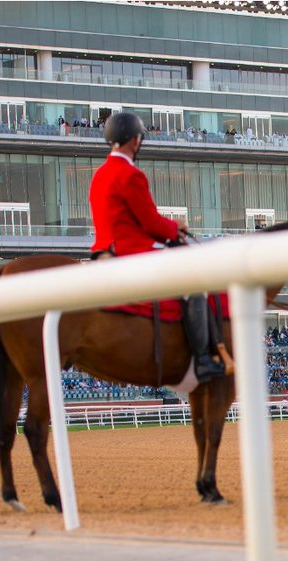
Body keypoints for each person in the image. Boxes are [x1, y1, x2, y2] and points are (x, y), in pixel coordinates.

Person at [88, 111, 227, 382]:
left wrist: (168, 226)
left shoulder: (100, 174)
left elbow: (126, 218)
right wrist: (176, 229)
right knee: (195, 283)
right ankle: (201, 360)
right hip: (130, 252)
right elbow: (150, 222)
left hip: (103, 251)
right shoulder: (130, 174)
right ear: (134, 140)